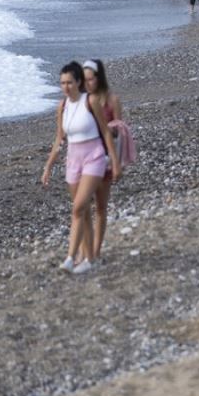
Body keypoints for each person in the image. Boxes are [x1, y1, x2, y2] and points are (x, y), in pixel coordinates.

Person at [41, 61, 120, 275]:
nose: (66, 87)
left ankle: (69, 258)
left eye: (69, 82)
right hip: (73, 159)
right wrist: (48, 167)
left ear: (78, 82)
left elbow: (105, 131)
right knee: (82, 212)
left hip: (94, 157)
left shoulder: (91, 101)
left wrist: (114, 160)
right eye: (62, 83)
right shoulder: (62, 106)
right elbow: (59, 139)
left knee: (78, 207)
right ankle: (89, 258)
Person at [83, 59, 124, 262]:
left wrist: (110, 130)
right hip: (86, 158)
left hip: (106, 157)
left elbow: (120, 129)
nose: (87, 83)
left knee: (100, 206)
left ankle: (96, 251)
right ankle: (85, 250)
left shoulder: (111, 100)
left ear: (99, 78)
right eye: (85, 79)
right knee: (82, 205)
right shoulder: (82, 102)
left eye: (91, 79)